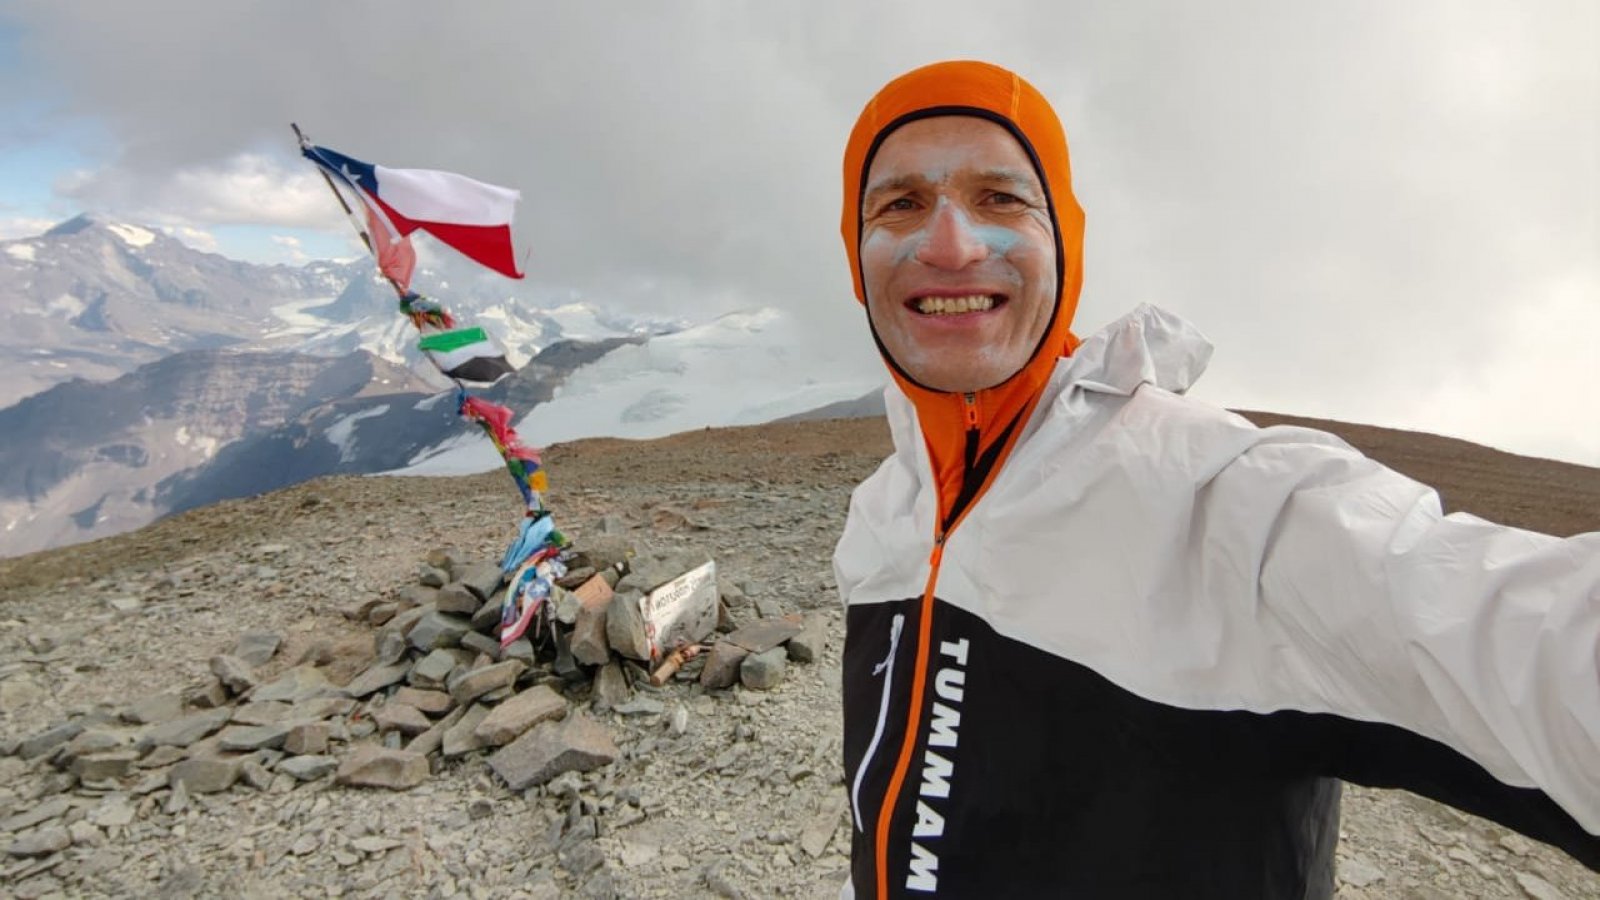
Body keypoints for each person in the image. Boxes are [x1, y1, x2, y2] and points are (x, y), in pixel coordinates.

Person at [833, 59, 1600, 899]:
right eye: (901, 204)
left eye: (1001, 199)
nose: (950, 244)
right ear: (854, 249)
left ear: (1066, 241)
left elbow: (1519, 637)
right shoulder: (884, 514)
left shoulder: (1224, 504)